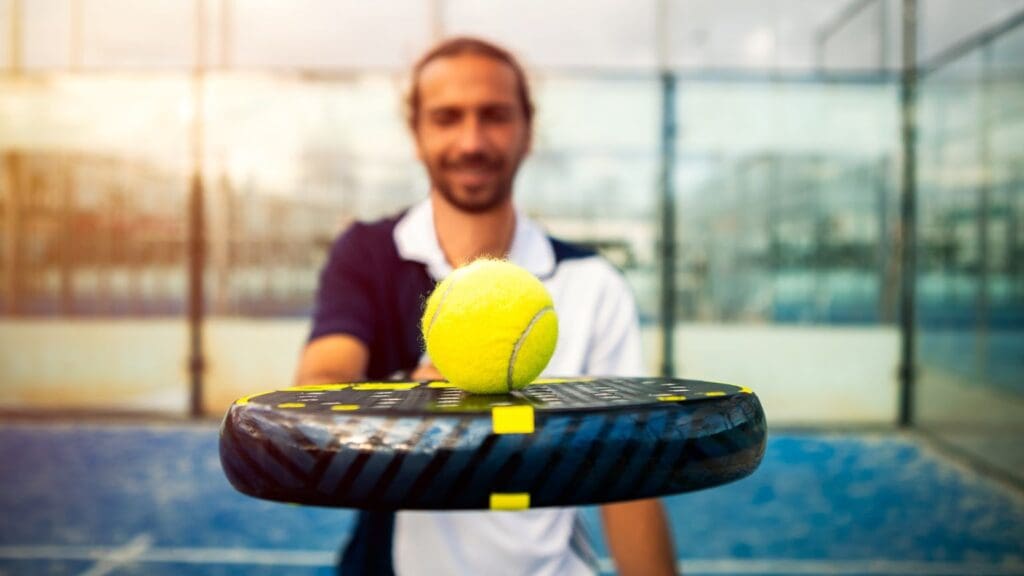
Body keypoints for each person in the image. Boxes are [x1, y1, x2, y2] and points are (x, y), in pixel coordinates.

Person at [296, 36, 677, 576]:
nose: (471, 141)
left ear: (527, 130)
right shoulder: (366, 253)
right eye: (447, 117)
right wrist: (408, 399)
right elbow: (323, 378)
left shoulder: (594, 284)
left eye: (494, 116)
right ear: (417, 133)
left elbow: (628, 480)